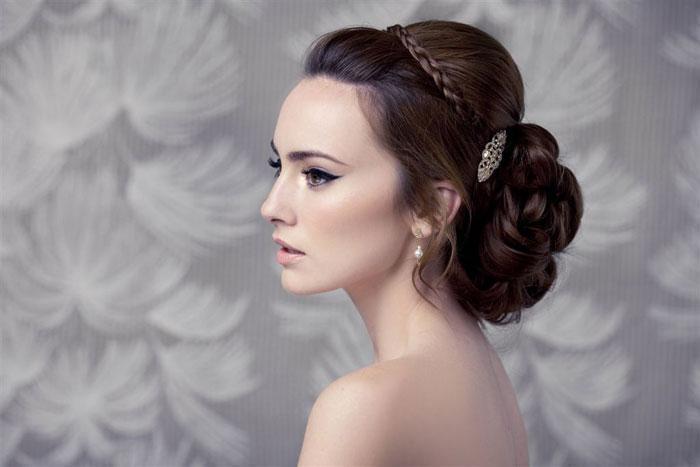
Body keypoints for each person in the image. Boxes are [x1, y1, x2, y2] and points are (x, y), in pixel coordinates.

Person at [260, 19, 583, 466]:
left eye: (317, 174)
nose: (271, 206)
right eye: (279, 166)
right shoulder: (477, 366)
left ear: (431, 207)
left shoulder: (364, 407)